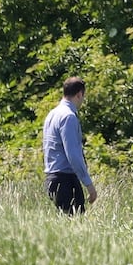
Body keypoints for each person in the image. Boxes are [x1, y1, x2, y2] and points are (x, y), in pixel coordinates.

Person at [42, 77, 97, 215]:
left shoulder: (52, 114)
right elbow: (73, 155)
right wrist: (89, 185)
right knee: (76, 226)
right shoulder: (68, 117)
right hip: (65, 180)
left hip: (51, 178)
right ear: (79, 94)